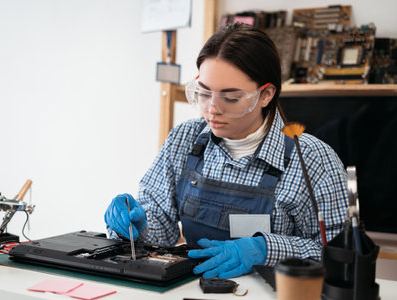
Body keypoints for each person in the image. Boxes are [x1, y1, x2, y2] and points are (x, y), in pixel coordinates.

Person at [104, 23, 348, 279]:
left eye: (230, 97)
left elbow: (339, 257)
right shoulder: (185, 139)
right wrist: (137, 224)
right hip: (193, 289)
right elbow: (161, 229)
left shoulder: (313, 160)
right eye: (204, 92)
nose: (212, 109)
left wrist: (266, 249)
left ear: (265, 95)